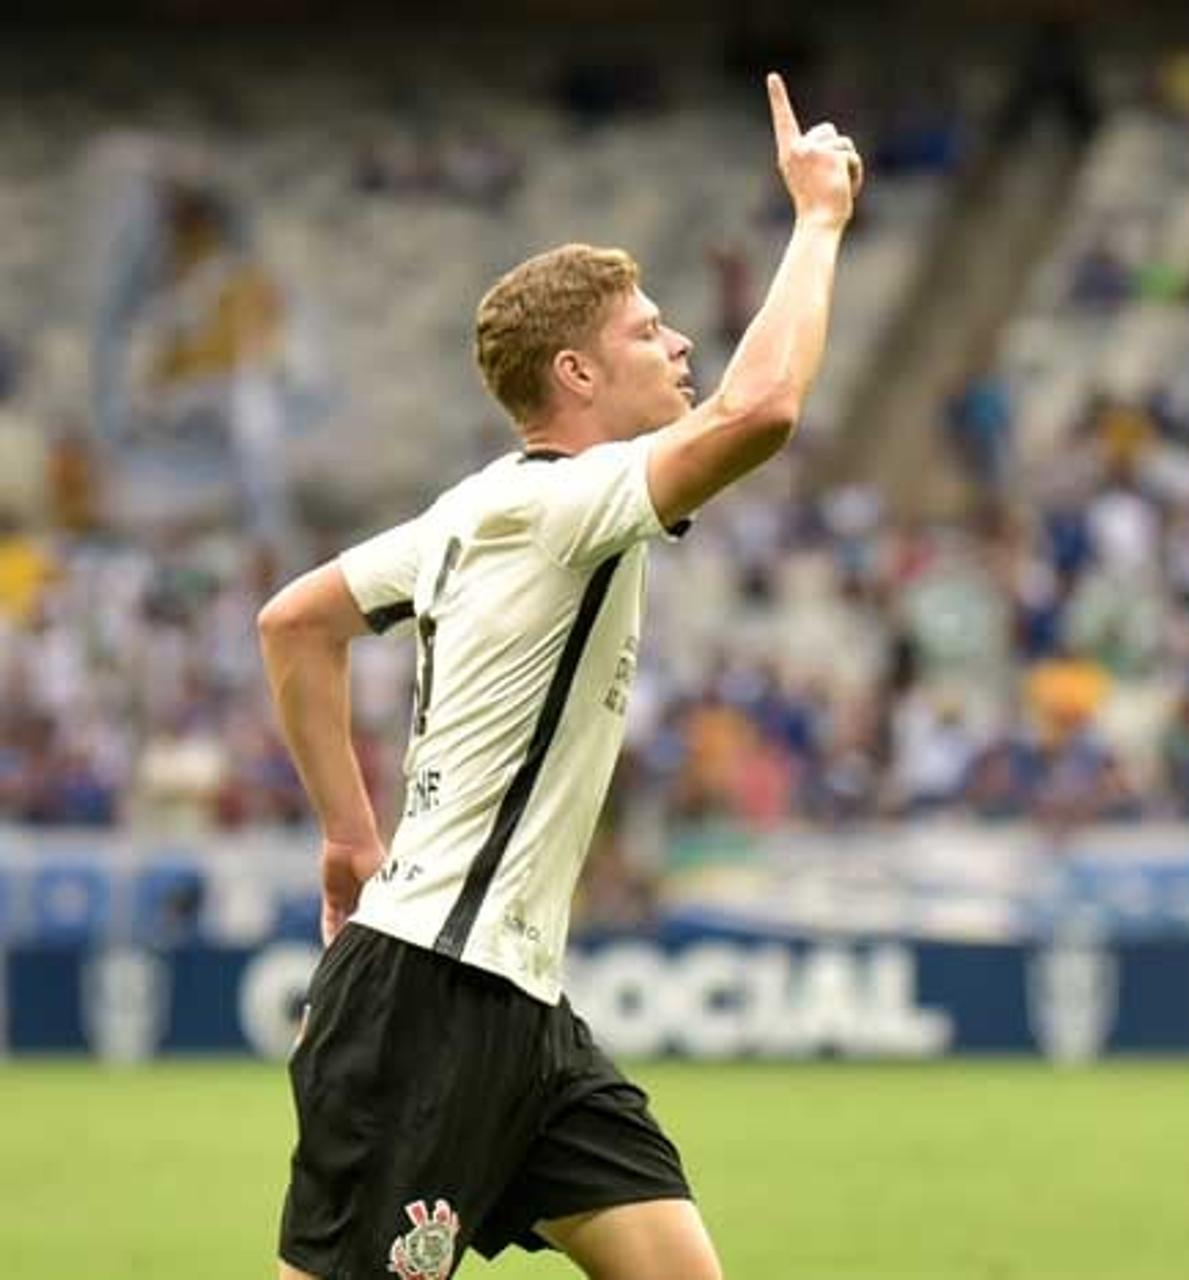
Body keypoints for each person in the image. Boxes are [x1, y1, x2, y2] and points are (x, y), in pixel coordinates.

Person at [256, 74, 861, 1280]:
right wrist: (819, 220)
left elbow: (297, 622)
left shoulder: (472, 509)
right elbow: (765, 408)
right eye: (647, 330)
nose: (678, 341)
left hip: (518, 1003)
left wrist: (346, 838)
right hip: (427, 997)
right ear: (576, 376)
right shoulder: (563, 503)